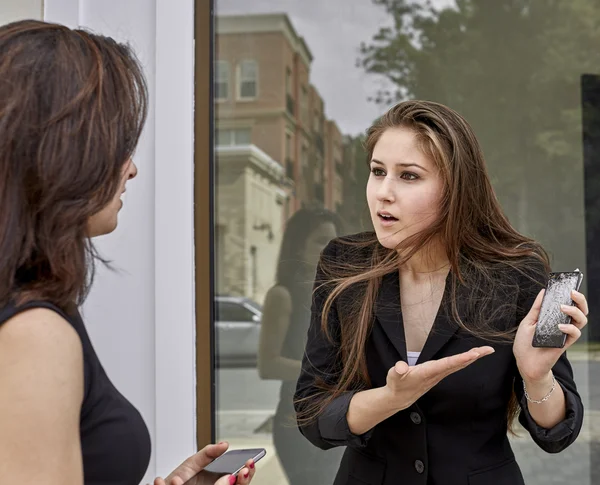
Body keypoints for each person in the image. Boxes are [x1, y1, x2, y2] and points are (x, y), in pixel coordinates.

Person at [0, 20, 256, 485]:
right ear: (61, 154)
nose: (132, 168)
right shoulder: (32, 334)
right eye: (116, 147)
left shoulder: (32, 308)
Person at [294, 100, 588, 485]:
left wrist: (536, 377)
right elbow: (312, 414)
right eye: (377, 171)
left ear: (455, 189)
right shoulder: (344, 262)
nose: (383, 192)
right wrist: (390, 399)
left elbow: (557, 434)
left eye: (409, 176)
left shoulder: (515, 273)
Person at [258, 207, 344, 484]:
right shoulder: (282, 296)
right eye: (321, 240)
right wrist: (327, 372)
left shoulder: (333, 294)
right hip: (297, 421)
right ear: (299, 245)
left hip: (336, 413)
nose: (330, 248)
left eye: (334, 240)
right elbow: (268, 365)